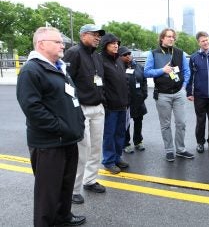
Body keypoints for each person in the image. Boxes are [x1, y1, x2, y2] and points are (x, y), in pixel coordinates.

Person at [16, 27, 86, 226]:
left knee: (65, 184)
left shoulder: (59, 67)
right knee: (48, 191)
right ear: (41, 44)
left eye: (61, 42)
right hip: (49, 143)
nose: (62, 45)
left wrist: (77, 122)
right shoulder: (31, 70)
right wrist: (61, 127)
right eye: (57, 41)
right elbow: (32, 108)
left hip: (68, 138)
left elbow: (72, 98)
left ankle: (63, 217)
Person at [63, 24, 106, 204]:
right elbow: (66, 80)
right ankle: (73, 189)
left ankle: (90, 180)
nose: (98, 38)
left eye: (99, 35)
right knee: (83, 150)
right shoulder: (73, 53)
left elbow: (100, 79)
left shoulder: (96, 55)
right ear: (83, 36)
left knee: (96, 147)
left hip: (98, 107)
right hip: (81, 108)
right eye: (94, 34)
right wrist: (73, 107)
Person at [144, 28, 194, 162]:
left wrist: (183, 87)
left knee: (181, 123)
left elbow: (186, 71)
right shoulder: (153, 53)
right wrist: (162, 70)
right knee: (165, 125)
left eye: (173, 37)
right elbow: (147, 72)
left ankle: (181, 149)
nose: (171, 39)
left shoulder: (180, 53)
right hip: (162, 94)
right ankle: (169, 150)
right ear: (162, 38)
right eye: (168, 36)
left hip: (178, 93)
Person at [100, 33, 129, 174]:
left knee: (120, 134)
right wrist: (105, 103)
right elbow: (101, 84)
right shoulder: (101, 61)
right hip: (110, 106)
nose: (116, 45)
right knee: (109, 135)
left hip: (122, 104)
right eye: (112, 43)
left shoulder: (119, 60)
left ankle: (117, 157)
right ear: (105, 45)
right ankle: (108, 161)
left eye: (117, 43)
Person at [118, 46, 148, 153]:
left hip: (138, 99)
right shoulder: (119, 67)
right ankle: (126, 143)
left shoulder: (138, 66)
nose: (128, 56)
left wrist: (144, 94)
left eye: (129, 54)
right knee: (126, 123)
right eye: (124, 55)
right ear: (119, 57)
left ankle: (138, 141)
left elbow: (144, 81)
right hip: (126, 101)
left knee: (138, 121)